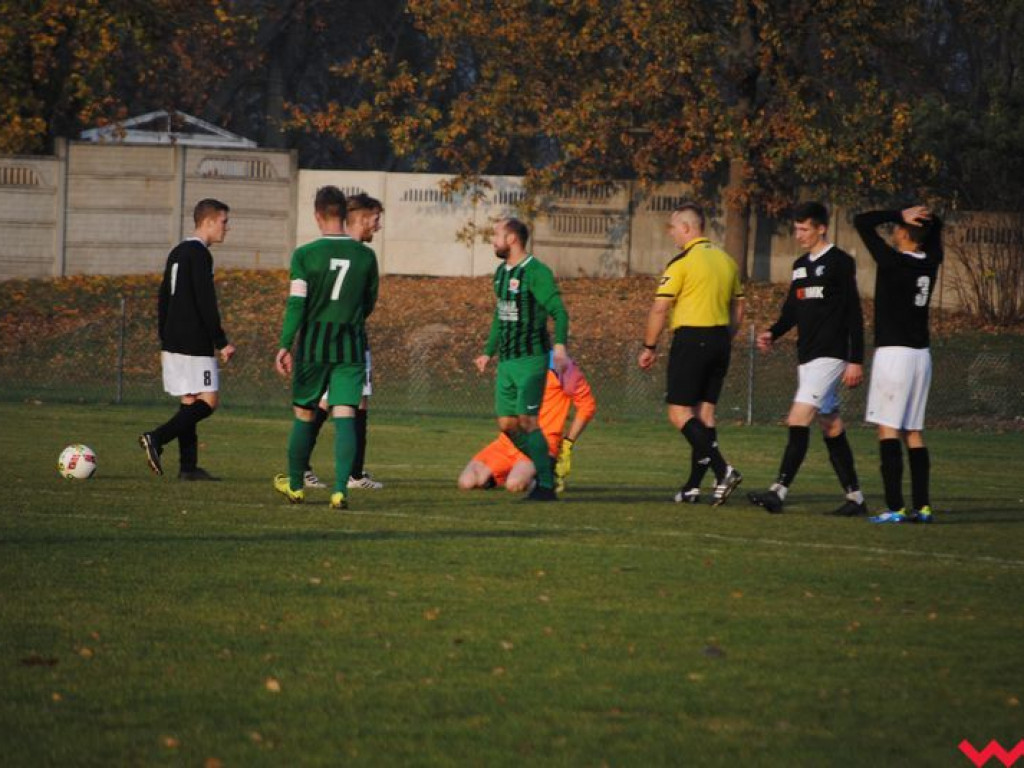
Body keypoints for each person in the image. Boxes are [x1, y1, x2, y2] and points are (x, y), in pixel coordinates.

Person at [747, 201, 867, 516]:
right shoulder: (800, 265)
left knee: (798, 418)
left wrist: (856, 359)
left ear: (821, 228)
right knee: (830, 424)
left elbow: (853, 312)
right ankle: (855, 498)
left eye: (804, 229)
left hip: (831, 355)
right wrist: (773, 332)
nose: (798, 234)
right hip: (808, 355)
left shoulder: (839, 262)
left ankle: (778, 492)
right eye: (796, 229)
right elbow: (792, 310)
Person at [273, 186, 379, 510]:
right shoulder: (366, 256)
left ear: (318, 215)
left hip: (313, 347)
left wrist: (285, 344)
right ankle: (340, 491)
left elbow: (296, 304)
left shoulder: (305, 255)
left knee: (305, 414)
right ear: (344, 215)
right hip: (350, 345)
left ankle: (295, 486)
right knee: (346, 413)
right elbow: (368, 302)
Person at [638, 202, 745, 506]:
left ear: (686, 228)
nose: (670, 233)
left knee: (679, 414)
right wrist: (725, 338)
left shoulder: (682, 262)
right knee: (705, 416)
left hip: (691, 339)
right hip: (720, 339)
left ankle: (723, 470)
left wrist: (649, 347)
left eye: (672, 227)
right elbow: (739, 307)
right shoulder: (726, 261)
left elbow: (660, 307)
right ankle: (693, 487)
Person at [853, 205, 944, 524]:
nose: (893, 231)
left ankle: (895, 506)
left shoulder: (893, 262)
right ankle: (923, 506)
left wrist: (897, 213)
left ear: (905, 231)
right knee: (913, 432)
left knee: (888, 429)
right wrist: (923, 218)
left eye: (897, 227)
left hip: (894, 355)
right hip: (921, 356)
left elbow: (861, 222)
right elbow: (936, 229)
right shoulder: (931, 261)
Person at [139, 199, 236, 480]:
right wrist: (221, 341)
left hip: (173, 338)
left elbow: (163, 297)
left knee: (190, 400)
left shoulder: (177, 252)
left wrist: (164, 335)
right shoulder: (200, 254)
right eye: (224, 222)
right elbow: (205, 301)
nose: (227, 228)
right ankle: (156, 437)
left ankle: (188, 468)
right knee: (209, 400)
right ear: (208, 222)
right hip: (194, 341)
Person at [474, 217, 569, 502]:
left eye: (497, 235)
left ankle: (545, 485)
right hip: (507, 362)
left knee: (528, 420)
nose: (493, 240)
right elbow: (499, 315)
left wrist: (560, 347)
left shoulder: (536, 272)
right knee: (507, 424)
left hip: (531, 360)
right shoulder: (500, 273)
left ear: (512, 238)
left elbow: (559, 311)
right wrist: (488, 352)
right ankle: (546, 465)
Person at [301, 193, 385, 491]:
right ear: (362, 218)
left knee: (332, 401)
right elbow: (367, 302)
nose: (378, 226)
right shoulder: (360, 256)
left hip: (324, 338)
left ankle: (319, 468)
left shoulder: (327, 251)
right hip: (348, 340)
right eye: (375, 219)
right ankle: (351, 473)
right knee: (352, 401)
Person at [459, 352, 596, 493]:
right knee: (466, 482)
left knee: (514, 484)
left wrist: (567, 444)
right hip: (508, 442)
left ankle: (546, 477)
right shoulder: (514, 361)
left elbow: (587, 405)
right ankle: (509, 474)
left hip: (542, 442)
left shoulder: (560, 365)